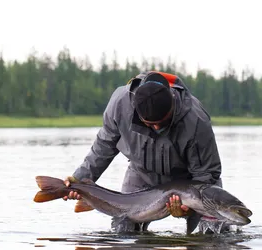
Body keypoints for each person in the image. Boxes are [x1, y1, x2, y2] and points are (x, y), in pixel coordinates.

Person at [63, 71, 223, 233]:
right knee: (123, 229)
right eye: (150, 124)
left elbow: (206, 175)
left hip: (188, 183)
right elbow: (104, 145)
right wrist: (80, 179)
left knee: (213, 233)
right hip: (141, 173)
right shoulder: (120, 104)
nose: (157, 128)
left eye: (162, 122)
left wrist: (188, 208)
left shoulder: (196, 120)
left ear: (172, 103)